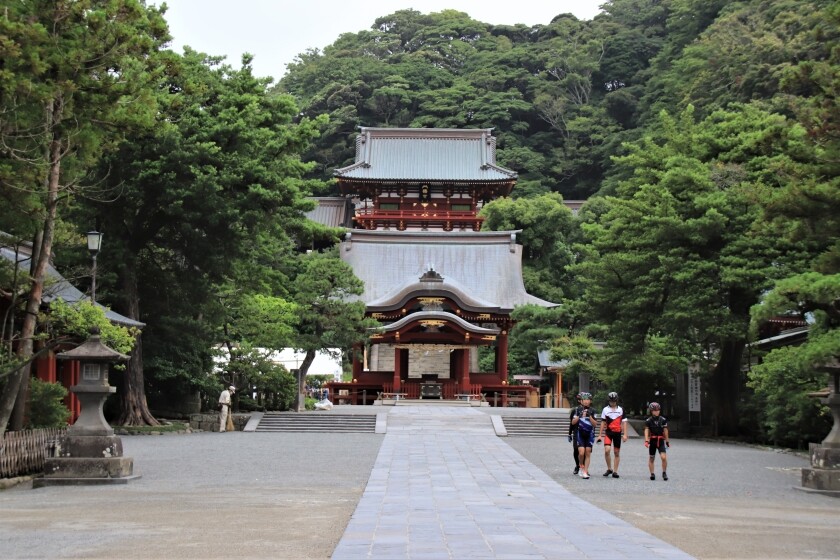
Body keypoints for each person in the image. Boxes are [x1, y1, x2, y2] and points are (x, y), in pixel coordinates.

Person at [596, 391, 628, 478]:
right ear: (608, 401)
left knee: (616, 452)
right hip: (608, 432)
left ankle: (615, 471)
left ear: (616, 400)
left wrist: (625, 434)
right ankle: (609, 468)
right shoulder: (605, 410)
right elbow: (603, 422)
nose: (612, 403)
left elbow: (624, 422)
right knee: (607, 450)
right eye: (611, 401)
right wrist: (600, 435)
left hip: (617, 433)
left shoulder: (621, 410)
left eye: (614, 401)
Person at [571, 392, 597, 479]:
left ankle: (585, 471)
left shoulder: (593, 410)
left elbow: (595, 424)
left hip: (589, 434)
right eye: (584, 399)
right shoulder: (577, 410)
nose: (586, 401)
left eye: (588, 399)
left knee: (588, 452)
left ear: (590, 401)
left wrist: (590, 417)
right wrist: (579, 416)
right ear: (581, 401)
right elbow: (573, 422)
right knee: (581, 453)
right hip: (580, 433)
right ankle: (581, 466)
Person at [644, 401, 670, 480]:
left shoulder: (663, 420)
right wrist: (646, 440)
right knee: (652, 458)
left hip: (661, 440)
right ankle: (652, 473)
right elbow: (646, 430)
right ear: (651, 411)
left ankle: (664, 472)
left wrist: (667, 441)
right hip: (652, 440)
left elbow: (665, 430)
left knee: (663, 457)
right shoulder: (648, 421)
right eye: (655, 410)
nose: (656, 412)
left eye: (658, 410)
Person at [568, 392, 582, 475]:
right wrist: (569, 434)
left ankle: (583, 466)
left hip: (586, 431)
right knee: (576, 449)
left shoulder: (590, 410)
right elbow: (571, 423)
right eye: (580, 399)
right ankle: (577, 465)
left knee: (585, 451)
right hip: (576, 431)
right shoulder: (575, 411)